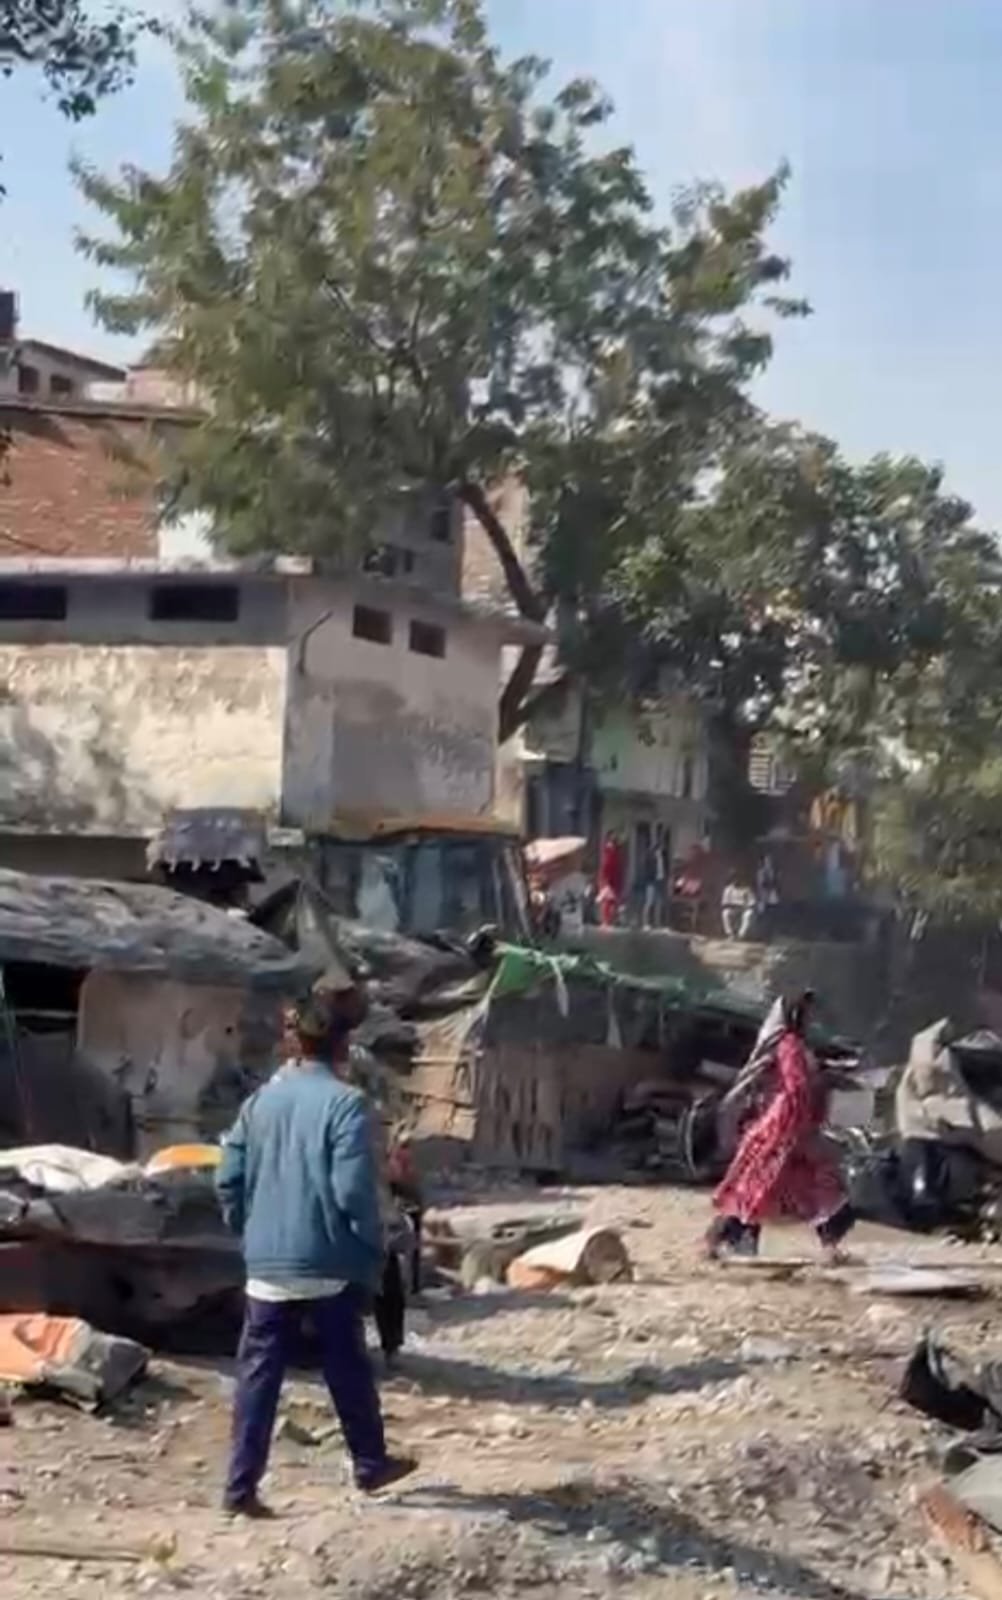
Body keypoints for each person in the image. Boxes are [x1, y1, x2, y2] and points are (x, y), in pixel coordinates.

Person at [216, 987, 415, 1517]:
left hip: (267, 1264)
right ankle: (370, 1462)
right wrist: (372, 1243)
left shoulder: (258, 1103)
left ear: (293, 1043)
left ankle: (240, 1488)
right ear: (344, 1045)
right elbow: (352, 1190)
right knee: (346, 1364)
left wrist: (248, 1229)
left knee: (258, 1375)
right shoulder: (347, 1104)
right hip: (329, 1261)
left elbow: (228, 1176)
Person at [705, 992, 854, 1264]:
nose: (811, 1019)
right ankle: (724, 1240)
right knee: (769, 1185)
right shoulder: (790, 1045)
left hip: (790, 1126)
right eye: (806, 1013)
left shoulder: (796, 1045)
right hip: (785, 1126)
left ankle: (828, 1246)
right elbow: (795, 1086)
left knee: (804, 1185)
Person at [596, 832, 625, 928]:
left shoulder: (615, 852)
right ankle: (605, 921)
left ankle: (610, 920)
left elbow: (617, 867)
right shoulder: (608, 852)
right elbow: (606, 866)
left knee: (612, 901)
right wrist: (606, 880)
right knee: (607, 901)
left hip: (614, 880)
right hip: (608, 880)